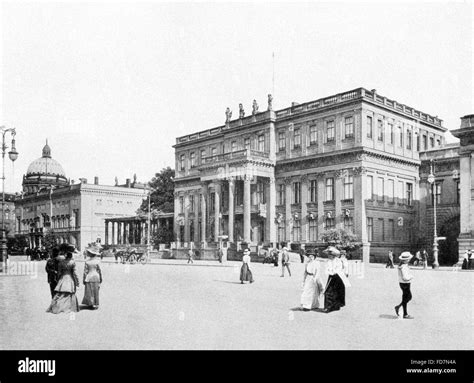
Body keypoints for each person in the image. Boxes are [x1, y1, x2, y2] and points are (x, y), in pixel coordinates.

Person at [46, 245, 79, 314]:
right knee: (68, 292)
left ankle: (55, 305)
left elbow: (48, 269)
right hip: (67, 277)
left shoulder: (53, 261)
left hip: (58, 278)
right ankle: (68, 306)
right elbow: (74, 272)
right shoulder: (67, 261)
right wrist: (77, 281)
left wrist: (57, 276)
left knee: (57, 292)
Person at [322, 246, 347, 313]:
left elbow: (338, 269)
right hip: (331, 277)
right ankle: (328, 307)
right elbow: (326, 269)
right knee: (328, 292)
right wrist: (329, 272)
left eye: (330, 255)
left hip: (338, 277)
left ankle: (336, 306)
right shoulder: (328, 261)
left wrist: (333, 271)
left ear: (333, 255)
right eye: (328, 255)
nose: (329, 256)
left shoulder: (338, 261)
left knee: (336, 292)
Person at [82, 244, 103, 310]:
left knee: (90, 291)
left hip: (89, 277)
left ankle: (91, 303)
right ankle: (95, 303)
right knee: (96, 290)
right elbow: (99, 271)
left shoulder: (87, 262)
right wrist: (101, 278)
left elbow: (85, 272)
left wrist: (84, 279)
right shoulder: (98, 261)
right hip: (96, 276)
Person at [394, 251, 414, 319]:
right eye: (408, 259)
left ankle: (403, 312)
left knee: (405, 297)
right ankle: (400, 309)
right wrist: (411, 276)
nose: (409, 260)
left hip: (402, 283)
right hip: (405, 283)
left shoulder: (401, 265)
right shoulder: (404, 267)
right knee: (408, 297)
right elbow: (405, 277)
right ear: (406, 260)